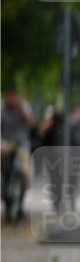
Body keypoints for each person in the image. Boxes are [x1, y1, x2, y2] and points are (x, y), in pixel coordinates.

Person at [1, 90, 34, 222]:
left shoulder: (23, 106)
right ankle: (4, 180)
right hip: (6, 142)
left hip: (22, 143)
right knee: (2, 157)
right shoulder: (2, 107)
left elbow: (31, 123)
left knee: (24, 171)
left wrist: (21, 108)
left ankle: (21, 202)